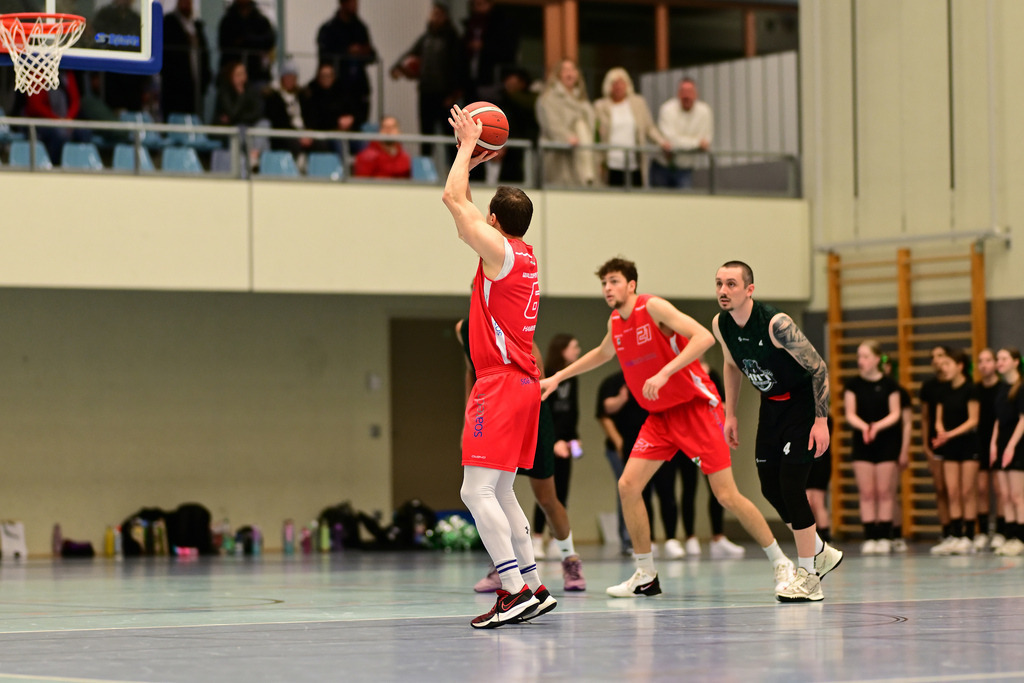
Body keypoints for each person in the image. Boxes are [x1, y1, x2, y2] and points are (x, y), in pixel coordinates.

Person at [542, 257, 793, 601]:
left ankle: (781, 562)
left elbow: (703, 337)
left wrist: (664, 373)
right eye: (603, 283)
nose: (607, 289)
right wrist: (557, 376)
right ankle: (646, 574)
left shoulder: (653, 306)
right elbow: (602, 353)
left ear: (631, 285)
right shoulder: (616, 321)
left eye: (614, 281)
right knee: (629, 486)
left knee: (726, 495)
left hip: (696, 409)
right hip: (659, 418)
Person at [442, 104, 552, 628]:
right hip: (522, 383)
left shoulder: (499, 254)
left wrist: (468, 145)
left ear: (494, 222)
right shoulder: (525, 255)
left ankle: (512, 591)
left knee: (474, 490)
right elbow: (464, 203)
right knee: (502, 488)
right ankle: (532, 581)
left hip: (500, 384)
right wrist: (479, 156)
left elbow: (451, 199)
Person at [712, 260, 843, 603]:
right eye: (719, 284)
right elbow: (731, 364)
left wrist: (821, 420)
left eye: (731, 285)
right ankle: (821, 551)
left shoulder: (776, 324)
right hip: (770, 406)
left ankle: (809, 576)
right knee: (769, 486)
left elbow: (818, 368)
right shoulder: (721, 324)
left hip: (802, 406)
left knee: (792, 486)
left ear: (749, 290)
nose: (723, 291)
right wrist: (730, 413)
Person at [455, 319, 586, 593]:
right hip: (490, 411)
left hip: (527, 408)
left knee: (546, 498)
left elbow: (534, 367)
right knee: (497, 491)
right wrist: (471, 417)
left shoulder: (505, 319)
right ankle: (509, 571)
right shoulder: (464, 328)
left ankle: (569, 560)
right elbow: (471, 372)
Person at [843, 341, 903, 555]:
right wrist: (864, 427)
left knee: (885, 491)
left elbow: (895, 413)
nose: (861, 361)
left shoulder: (890, 385)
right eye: (859, 356)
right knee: (867, 492)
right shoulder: (853, 385)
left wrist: (877, 426)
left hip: (886, 442)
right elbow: (850, 413)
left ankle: (885, 536)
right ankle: (870, 536)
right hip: (863, 442)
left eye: (866, 356)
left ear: (877, 359)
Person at [390, 1, 462, 157]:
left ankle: (456, 171)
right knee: (426, 134)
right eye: (433, 13)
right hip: (426, 92)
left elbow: (459, 68)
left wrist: (454, 94)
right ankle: (425, 166)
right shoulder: (426, 37)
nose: (434, 17)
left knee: (451, 136)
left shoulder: (453, 39)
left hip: (445, 95)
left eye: (438, 14)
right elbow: (410, 54)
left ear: (445, 17)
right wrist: (397, 68)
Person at [532, 334, 581, 558]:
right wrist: (553, 441)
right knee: (546, 493)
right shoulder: (547, 375)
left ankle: (555, 540)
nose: (578, 351)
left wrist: (573, 438)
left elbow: (572, 413)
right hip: (549, 441)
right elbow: (545, 411)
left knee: (563, 492)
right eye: (574, 347)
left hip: (566, 444)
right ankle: (537, 538)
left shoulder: (572, 378)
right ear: (562, 350)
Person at [931, 349, 980, 555]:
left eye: (947, 364)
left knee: (966, 490)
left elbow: (973, 420)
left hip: (968, 444)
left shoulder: (971, 389)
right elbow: (938, 418)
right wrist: (941, 430)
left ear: (960, 366)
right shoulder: (944, 390)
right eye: (942, 365)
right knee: (951, 491)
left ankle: (969, 535)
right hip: (949, 446)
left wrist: (950, 434)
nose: (943, 368)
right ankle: (956, 534)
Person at [593, 67, 670, 188]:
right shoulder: (600, 106)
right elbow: (595, 133)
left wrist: (662, 142)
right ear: (608, 86)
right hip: (611, 164)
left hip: (634, 164)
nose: (618, 87)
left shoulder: (638, 103)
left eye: (621, 83)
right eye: (614, 83)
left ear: (627, 85)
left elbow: (649, 128)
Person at [596, 370, 646, 555]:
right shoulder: (612, 382)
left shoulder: (647, 377)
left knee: (646, 491)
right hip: (621, 448)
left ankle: (647, 538)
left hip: (647, 447)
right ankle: (628, 539)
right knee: (627, 488)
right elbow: (603, 413)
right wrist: (619, 443)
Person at [535, 59, 597, 187]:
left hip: (583, 158)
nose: (570, 74)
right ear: (558, 74)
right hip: (560, 160)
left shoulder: (583, 100)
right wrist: (567, 137)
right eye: (565, 70)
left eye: (572, 70)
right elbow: (551, 126)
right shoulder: (547, 98)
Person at [316, 0, 377, 130]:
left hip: (359, 88)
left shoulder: (360, 27)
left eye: (356, 3)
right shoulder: (329, 28)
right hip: (337, 89)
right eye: (351, 3)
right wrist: (347, 52)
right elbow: (324, 56)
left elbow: (372, 55)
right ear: (342, 4)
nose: (355, 6)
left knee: (359, 126)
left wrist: (362, 51)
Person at [991, 348, 1024, 556]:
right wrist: (994, 444)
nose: (999, 362)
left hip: (1018, 444)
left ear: (1015, 362)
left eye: (1003, 358)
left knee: (1017, 495)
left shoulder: (1021, 387)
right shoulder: (1001, 388)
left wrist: (1011, 446)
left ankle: (1021, 538)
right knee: (1005, 495)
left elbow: (1023, 419)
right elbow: (998, 419)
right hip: (1002, 444)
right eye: (998, 358)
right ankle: (1010, 536)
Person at [652, 77, 712, 189]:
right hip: (662, 166)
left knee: (685, 203)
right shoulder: (667, 109)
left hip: (685, 169)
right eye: (683, 92)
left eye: (690, 92)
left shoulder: (704, 111)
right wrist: (697, 143)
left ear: (696, 94)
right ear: (678, 94)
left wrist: (679, 143)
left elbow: (706, 140)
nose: (686, 96)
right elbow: (671, 140)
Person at [920, 346, 953, 553]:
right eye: (933, 357)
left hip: (957, 441)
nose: (936, 360)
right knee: (941, 489)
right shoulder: (929, 387)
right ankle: (947, 530)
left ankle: (963, 532)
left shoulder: (956, 384)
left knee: (958, 490)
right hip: (936, 443)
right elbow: (925, 418)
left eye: (940, 356)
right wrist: (925, 444)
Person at [161, 0, 212, 119]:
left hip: (196, 86)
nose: (186, 4)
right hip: (175, 86)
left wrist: (205, 79)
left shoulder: (197, 26)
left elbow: (205, 55)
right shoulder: (169, 23)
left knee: (195, 117)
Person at [462, 0, 519, 102]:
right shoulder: (471, 24)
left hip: (492, 80)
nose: (478, 8)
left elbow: (507, 51)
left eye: (481, 4)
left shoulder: (501, 23)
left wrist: (484, 47)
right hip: (471, 79)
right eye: (475, 5)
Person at [974, 348, 1001, 550]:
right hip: (980, 441)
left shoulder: (1004, 388)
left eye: (988, 360)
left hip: (1001, 441)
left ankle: (1000, 530)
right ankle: (982, 531)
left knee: (1000, 490)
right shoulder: (975, 390)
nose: (984, 365)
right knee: (981, 488)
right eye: (980, 361)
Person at [494, 66, 538, 183]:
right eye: (508, 82)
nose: (510, 85)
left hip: (526, 146)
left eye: (515, 82)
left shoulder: (530, 100)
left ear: (523, 83)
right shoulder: (501, 100)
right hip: (507, 148)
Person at [218, 0, 276, 87]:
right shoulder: (228, 20)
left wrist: (248, 40)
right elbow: (224, 44)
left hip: (257, 74)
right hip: (232, 74)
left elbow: (270, 40)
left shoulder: (261, 19)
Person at [263, 61, 314, 158]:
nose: (290, 80)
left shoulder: (304, 96)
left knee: (321, 144)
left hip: (305, 132)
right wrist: (298, 135)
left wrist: (309, 132)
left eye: (293, 77)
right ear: (282, 78)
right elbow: (278, 121)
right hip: (285, 134)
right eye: (287, 77)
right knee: (293, 144)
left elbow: (311, 116)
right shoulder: (274, 97)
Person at [214, 61, 264, 126]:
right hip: (230, 127)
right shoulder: (224, 92)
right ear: (230, 75)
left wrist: (238, 118)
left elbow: (256, 113)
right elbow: (231, 113)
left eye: (243, 73)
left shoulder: (251, 90)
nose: (242, 78)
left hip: (250, 124)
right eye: (238, 74)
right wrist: (241, 96)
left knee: (264, 123)